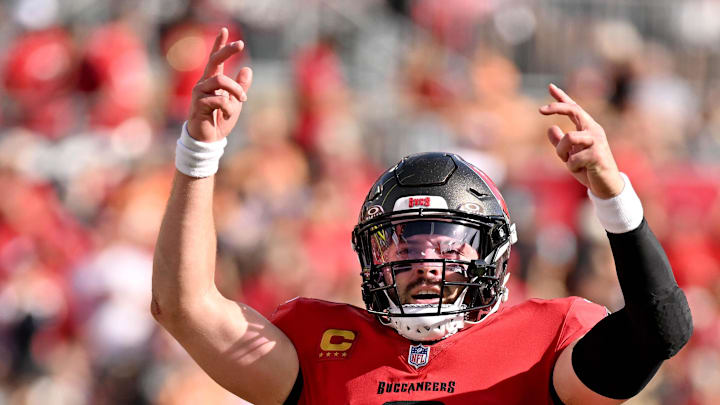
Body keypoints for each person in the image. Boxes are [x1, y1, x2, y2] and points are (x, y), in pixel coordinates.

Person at [152, 28, 693, 405]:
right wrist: (199, 152)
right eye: (402, 241)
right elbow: (182, 306)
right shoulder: (320, 343)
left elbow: (662, 329)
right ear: (372, 254)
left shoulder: (545, 339)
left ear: (492, 253)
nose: (423, 257)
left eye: (446, 241)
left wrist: (610, 190)